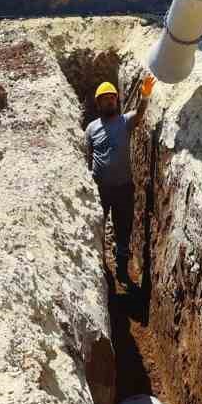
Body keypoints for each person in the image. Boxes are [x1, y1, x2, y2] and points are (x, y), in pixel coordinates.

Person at [84, 81, 134, 286]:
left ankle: (122, 271)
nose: (109, 102)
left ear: (117, 100)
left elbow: (139, 114)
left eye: (112, 98)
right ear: (98, 104)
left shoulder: (125, 121)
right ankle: (102, 269)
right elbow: (87, 157)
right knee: (99, 226)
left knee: (123, 229)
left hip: (124, 188)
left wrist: (146, 96)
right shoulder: (91, 128)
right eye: (104, 100)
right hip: (100, 189)